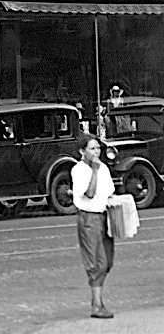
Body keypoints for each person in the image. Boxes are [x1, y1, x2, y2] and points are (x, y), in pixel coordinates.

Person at [71, 133, 116, 318]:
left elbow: (109, 192)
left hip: (104, 215)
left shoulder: (103, 167)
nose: (96, 152)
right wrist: (95, 171)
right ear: (83, 151)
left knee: (107, 261)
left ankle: (97, 301)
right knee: (97, 261)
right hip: (89, 217)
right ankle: (96, 304)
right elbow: (89, 193)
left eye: (98, 148)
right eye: (92, 148)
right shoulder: (79, 170)